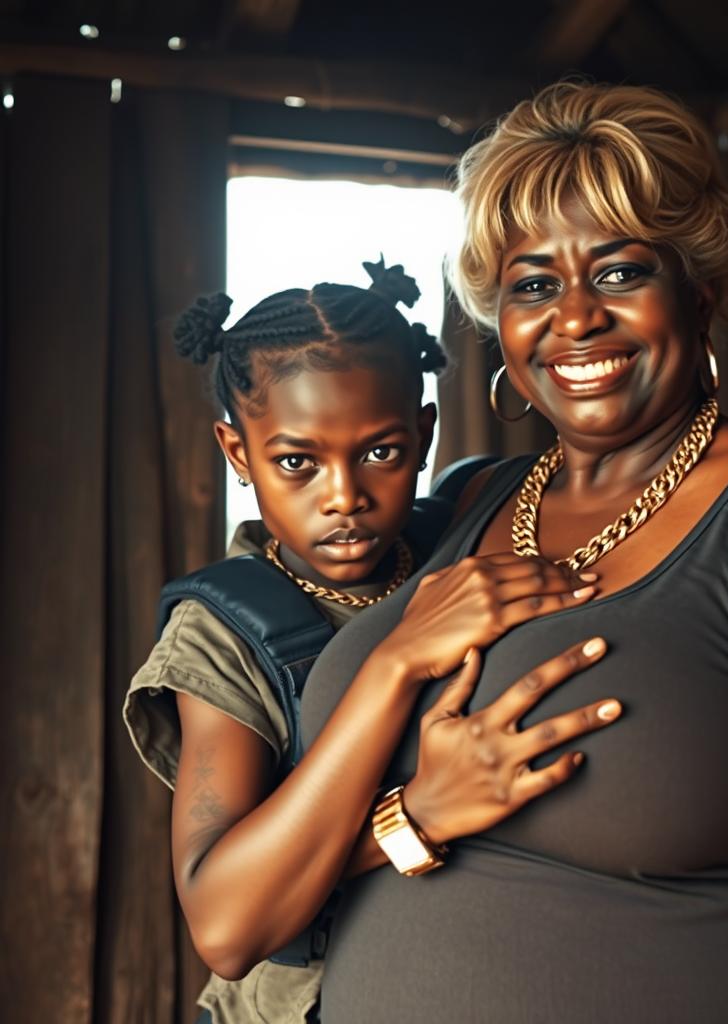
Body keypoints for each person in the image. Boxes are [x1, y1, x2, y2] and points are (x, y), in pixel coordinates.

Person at [299, 82, 728, 1023]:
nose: (576, 318)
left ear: (699, 296)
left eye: (618, 272)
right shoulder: (467, 501)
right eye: (535, 285)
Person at [123, 261, 620, 1024]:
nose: (344, 496)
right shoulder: (221, 634)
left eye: (380, 453)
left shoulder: (472, 531)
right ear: (237, 453)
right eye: (297, 462)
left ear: (423, 434)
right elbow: (226, 927)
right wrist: (413, 800)